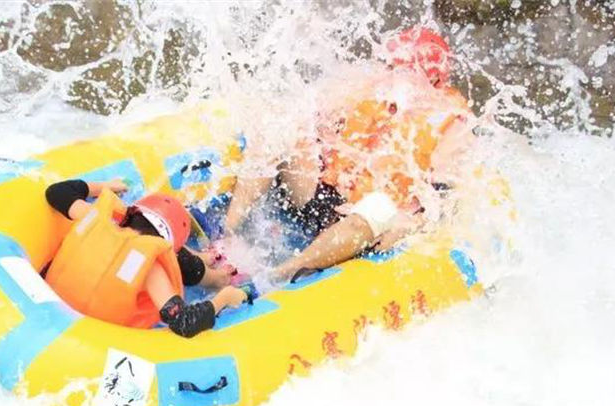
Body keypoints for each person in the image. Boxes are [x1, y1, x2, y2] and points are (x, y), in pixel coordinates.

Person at [223, 27, 476, 281]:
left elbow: (444, 200)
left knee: (379, 207)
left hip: (365, 224)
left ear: (433, 83)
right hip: (323, 197)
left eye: (403, 72)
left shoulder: (453, 125)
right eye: (392, 67)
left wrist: (408, 225)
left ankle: (278, 275)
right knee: (280, 129)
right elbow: (311, 119)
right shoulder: (367, 85)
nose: (392, 77)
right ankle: (226, 236)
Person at [43, 178, 249, 338]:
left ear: (129, 215)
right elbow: (184, 322)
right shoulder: (151, 268)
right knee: (181, 262)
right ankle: (218, 276)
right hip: (93, 338)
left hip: (48, 311)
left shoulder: (93, 217)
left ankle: (205, 260)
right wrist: (224, 298)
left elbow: (56, 191)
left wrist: (106, 186)